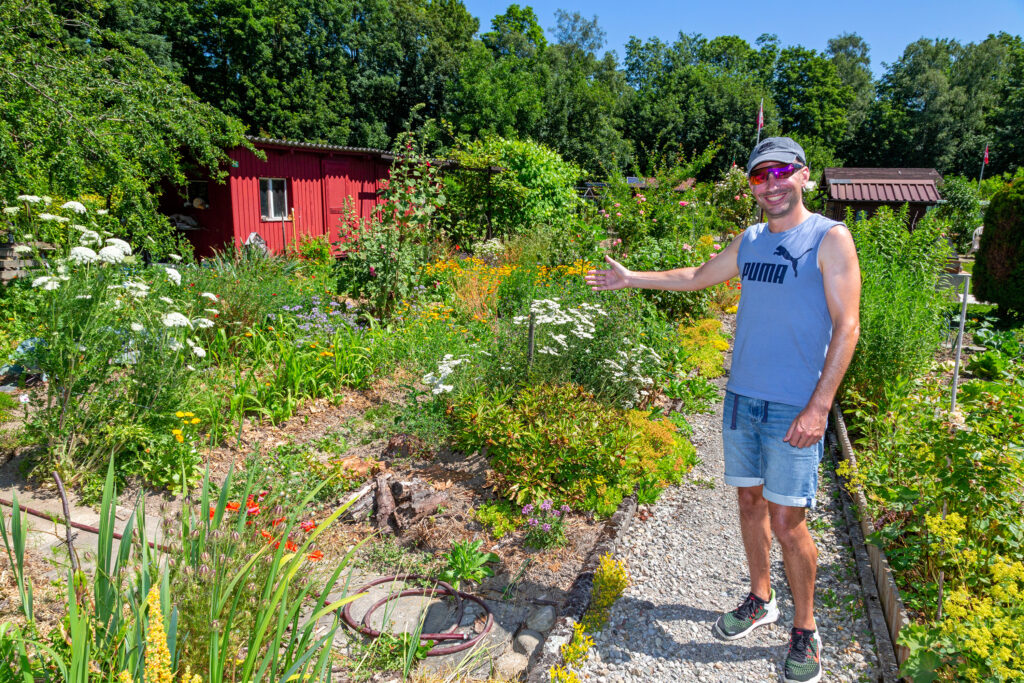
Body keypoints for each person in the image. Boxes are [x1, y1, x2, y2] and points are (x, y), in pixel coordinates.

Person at [585, 137, 860, 683]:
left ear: (804, 176)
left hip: (794, 406)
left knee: (788, 522)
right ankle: (762, 599)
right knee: (750, 504)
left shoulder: (829, 238)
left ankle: (805, 628)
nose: (772, 184)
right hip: (742, 399)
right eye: (761, 176)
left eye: (782, 172)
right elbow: (695, 276)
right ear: (753, 186)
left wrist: (819, 407)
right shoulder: (752, 240)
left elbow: (848, 325)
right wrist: (631, 277)